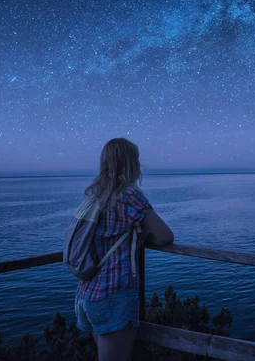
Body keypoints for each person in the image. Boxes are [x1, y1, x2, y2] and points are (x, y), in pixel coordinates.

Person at [74, 138, 174, 361]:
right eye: (136, 160)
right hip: (114, 294)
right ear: (129, 163)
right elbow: (166, 236)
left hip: (88, 292)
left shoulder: (94, 194)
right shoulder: (128, 195)